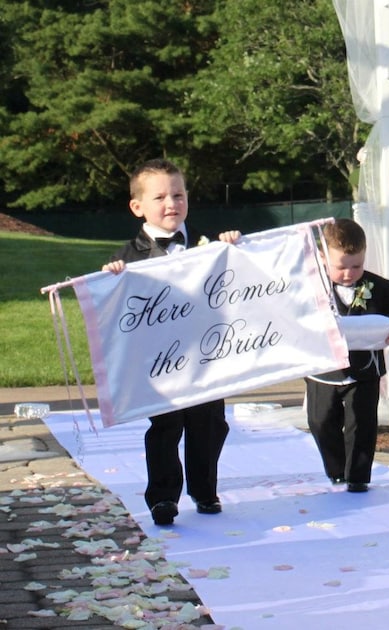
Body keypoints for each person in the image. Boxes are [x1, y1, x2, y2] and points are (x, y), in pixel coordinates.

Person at [102, 158, 241, 525]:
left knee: (209, 425)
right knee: (165, 427)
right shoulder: (127, 257)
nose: (171, 204)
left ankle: (204, 489)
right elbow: (115, 309)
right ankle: (163, 497)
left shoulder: (207, 244)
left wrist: (232, 246)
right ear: (138, 207)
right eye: (160, 196)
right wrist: (111, 278)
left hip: (205, 356)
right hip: (159, 362)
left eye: (178, 195)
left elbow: (237, 279)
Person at [305, 218, 389, 493]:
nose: (350, 274)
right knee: (320, 421)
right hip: (323, 371)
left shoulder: (381, 286)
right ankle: (336, 468)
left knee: (362, 425)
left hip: (365, 370)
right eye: (341, 267)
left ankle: (358, 476)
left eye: (357, 266)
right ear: (324, 257)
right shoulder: (310, 288)